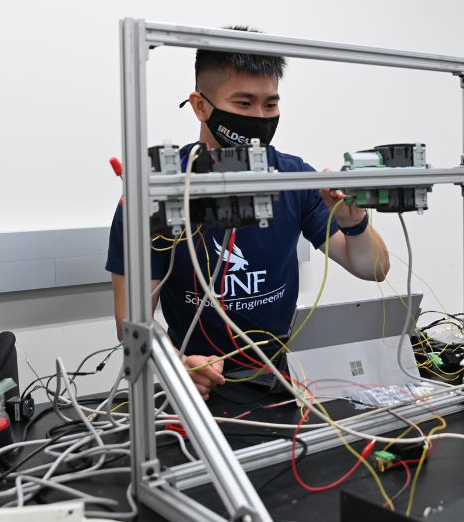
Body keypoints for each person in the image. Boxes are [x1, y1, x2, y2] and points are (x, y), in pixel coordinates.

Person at [106, 26, 391, 399]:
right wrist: (178, 366)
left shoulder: (294, 178)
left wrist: (354, 223)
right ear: (200, 106)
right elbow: (132, 323)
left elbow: (374, 269)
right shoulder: (159, 193)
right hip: (198, 382)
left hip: (280, 378)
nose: (259, 117)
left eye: (270, 104)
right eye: (244, 104)